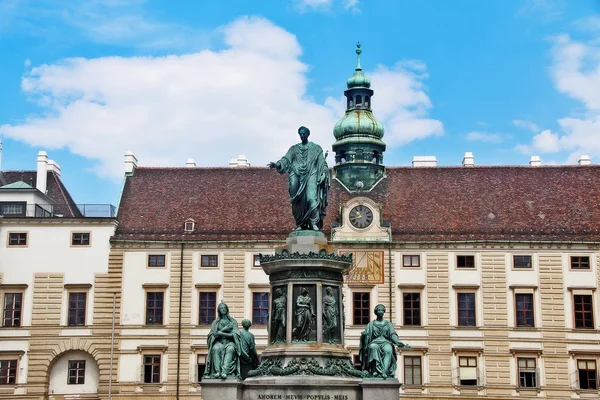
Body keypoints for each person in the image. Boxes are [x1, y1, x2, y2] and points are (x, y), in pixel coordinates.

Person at [268, 126, 330, 231]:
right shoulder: (294, 149)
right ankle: (300, 224)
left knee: (311, 198)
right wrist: (277, 164)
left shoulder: (316, 148)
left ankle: (313, 222)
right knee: (296, 200)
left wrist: (324, 172)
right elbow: (286, 159)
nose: (302, 135)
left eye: (304, 133)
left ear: (308, 134)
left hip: (311, 174)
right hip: (296, 173)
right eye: (300, 134)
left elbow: (322, 163)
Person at [359, 304, 409, 378]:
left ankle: (384, 371)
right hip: (374, 342)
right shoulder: (371, 324)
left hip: (386, 342)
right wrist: (364, 335)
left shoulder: (388, 324)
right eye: (379, 310)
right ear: (376, 312)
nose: (380, 311)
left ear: (384, 312)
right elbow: (367, 335)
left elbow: (392, 334)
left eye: (382, 310)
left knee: (388, 350)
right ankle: (374, 370)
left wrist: (397, 342)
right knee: (373, 347)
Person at [204, 302, 241, 379]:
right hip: (219, 342)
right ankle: (218, 372)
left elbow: (235, 335)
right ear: (218, 310)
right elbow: (213, 335)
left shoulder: (233, 321)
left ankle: (225, 371)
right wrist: (225, 330)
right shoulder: (215, 322)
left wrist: (220, 333)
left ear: (227, 309)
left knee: (230, 349)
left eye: (224, 308)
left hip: (230, 342)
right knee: (215, 348)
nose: (223, 309)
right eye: (221, 308)